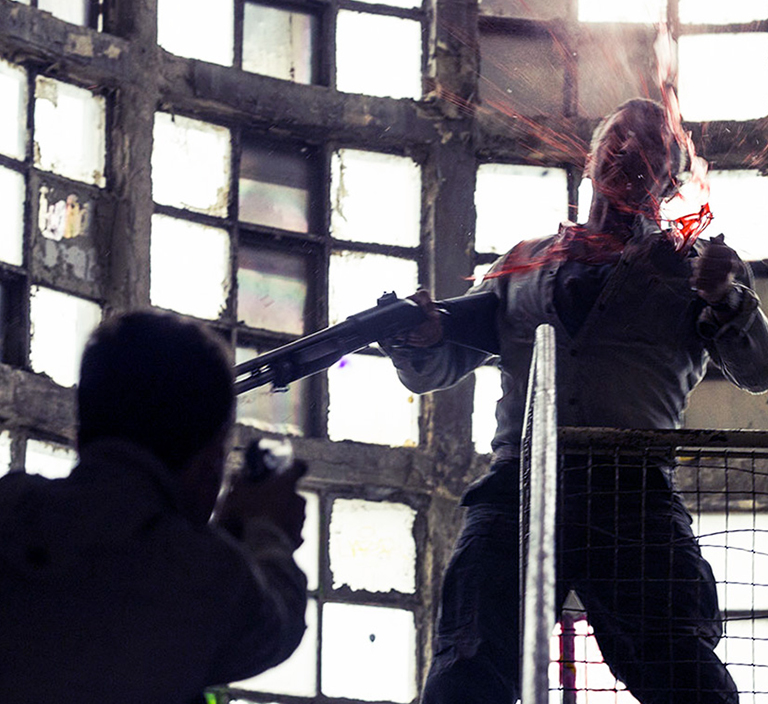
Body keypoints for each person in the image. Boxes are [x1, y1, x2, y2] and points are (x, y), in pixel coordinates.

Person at [383, 98, 768, 704]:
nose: (630, 151)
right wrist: (418, 337)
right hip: (518, 485)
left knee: (681, 668)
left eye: (651, 147)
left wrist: (727, 297)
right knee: (468, 662)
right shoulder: (522, 264)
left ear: (672, 180)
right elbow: (437, 365)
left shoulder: (693, 267)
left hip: (632, 492)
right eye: (618, 138)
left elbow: (757, 368)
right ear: (590, 160)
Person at [0, 310, 307, 704]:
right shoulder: (206, 577)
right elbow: (275, 625)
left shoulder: (11, 508)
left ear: (79, 437)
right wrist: (267, 531)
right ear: (210, 464)